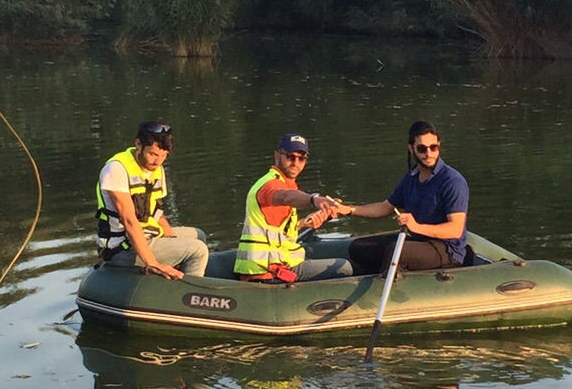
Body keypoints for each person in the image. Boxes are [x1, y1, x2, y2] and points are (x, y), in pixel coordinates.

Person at [341, 119, 469, 275]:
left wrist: (416, 226)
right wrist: (348, 210)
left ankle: (390, 281)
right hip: (420, 241)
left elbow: (455, 229)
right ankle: (372, 278)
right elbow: (385, 207)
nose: (429, 153)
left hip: (447, 250)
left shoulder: (452, 181)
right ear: (411, 148)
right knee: (359, 248)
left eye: (433, 147)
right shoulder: (411, 177)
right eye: (422, 148)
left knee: (396, 252)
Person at [96, 120, 209, 278]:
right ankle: (189, 291)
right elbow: (129, 221)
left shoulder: (156, 169)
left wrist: (172, 241)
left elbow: (157, 213)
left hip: (150, 234)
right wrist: (152, 263)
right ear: (138, 144)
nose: (158, 161)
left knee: (198, 236)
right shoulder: (116, 169)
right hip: (122, 248)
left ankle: (174, 280)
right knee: (198, 250)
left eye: (164, 156)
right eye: (153, 154)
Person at [234, 132, 352, 282]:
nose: (296, 163)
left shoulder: (287, 184)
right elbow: (285, 196)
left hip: (272, 266)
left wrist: (305, 223)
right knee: (344, 267)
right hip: (268, 273)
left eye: (301, 158)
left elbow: (275, 233)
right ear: (277, 156)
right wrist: (314, 199)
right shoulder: (270, 185)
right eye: (290, 156)